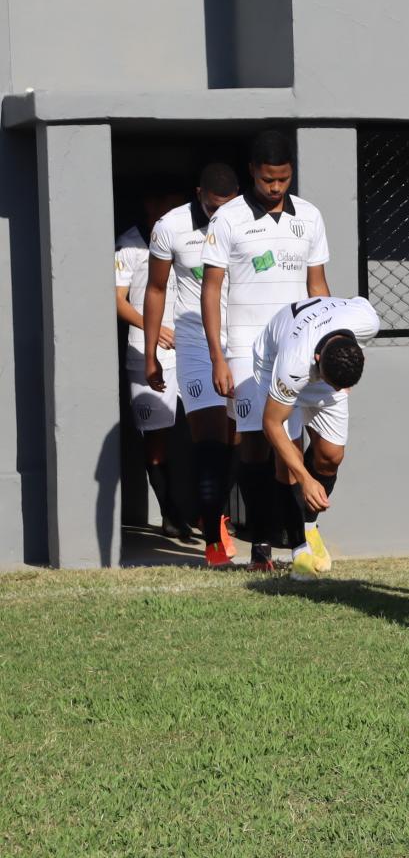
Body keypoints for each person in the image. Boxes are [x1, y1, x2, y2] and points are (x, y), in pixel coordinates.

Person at [202, 130, 331, 571]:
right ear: (252, 172)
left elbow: (318, 286)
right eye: (268, 180)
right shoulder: (228, 219)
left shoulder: (310, 217)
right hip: (245, 349)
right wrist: (218, 357)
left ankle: (296, 539)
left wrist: (326, 344)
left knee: (292, 446)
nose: (276, 188)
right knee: (256, 446)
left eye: (284, 179)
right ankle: (260, 542)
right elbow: (211, 289)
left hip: (296, 349)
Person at [144, 163, 241, 565]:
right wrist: (152, 353)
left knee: (240, 440)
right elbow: (156, 288)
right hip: (195, 344)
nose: (220, 216)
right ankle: (214, 541)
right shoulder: (170, 227)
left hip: (242, 340)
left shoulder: (247, 220)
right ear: (199, 193)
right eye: (213, 206)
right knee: (211, 439)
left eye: (228, 207)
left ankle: (214, 510)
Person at [253, 296, 381, 581]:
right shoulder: (293, 364)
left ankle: (309, 527)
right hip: (273, 363)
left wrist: (338, 384)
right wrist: (305, 479)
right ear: (319, 361)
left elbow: (356, 302)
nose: (338, 388)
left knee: (331, 457)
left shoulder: (367, 323)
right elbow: (271, 424)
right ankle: (299, 552)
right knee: (289, 464)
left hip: (323, 356)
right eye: (335, 382)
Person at [115, 192, 186, 539]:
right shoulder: (129, 244)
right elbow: (116, 301)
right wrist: (153, 329)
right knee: (155, 438)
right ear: (149, 206)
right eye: (164, 206)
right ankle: (170, 515)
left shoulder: (190, 239)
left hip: (192, 351)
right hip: (146, 352)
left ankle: (208, 515)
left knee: (214, 430)